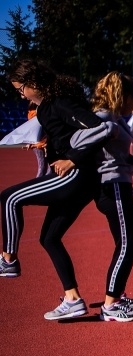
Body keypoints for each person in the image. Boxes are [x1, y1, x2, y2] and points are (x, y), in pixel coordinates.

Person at [1, 60, 104, 319]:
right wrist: (45, 144)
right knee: (49, 238)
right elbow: (66, 133)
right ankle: (73, 299)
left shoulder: (58, 103)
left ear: (34, 82)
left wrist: (73, 158)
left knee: (9, 197)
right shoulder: (48, 107)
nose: (21, 94)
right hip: (77, 178)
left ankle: (8, 260)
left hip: (76, 176)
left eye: (21, 88)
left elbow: (99, 128)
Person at [71, 71, 133, 321]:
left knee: (131, 243)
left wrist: (127, 158)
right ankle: (110, 305)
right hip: (111, 186)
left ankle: (117, 296)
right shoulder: (102, 117)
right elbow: (76, 140)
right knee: (129, 243)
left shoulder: (114, 117)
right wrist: (107, 131)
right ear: (122, 95)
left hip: (119, 183)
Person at [25, 102, 48, 177]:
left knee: (43, 167)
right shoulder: (38, 115)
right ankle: (38, 182)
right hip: (41, 143)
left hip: (39, 143)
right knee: (43, 167)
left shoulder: (31, 115)